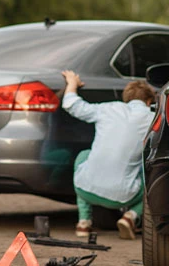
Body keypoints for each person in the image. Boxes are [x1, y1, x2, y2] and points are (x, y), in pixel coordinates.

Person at [60, 70, 156, 240]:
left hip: (84, 189)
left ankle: (83, 223)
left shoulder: (107, 108)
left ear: (125, 98)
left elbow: (71, 105)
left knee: (84, 155)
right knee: (154, 175)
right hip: (122, 198)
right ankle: (131, 216)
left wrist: (72, 83)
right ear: (149, 101)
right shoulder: (152, 118)